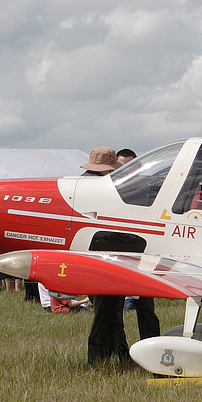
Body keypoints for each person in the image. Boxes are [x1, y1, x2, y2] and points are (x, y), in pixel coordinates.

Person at [81, 148, 130, 364]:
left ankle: (119, 353)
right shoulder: (99, 189)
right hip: (102, 257)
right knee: (105, 311)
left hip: (90, 257)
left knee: (109, 310)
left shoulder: (81, 186)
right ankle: (98, 357)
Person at [114, 148, 160, 341]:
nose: (125, 170)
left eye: (129, 166)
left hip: (142, 249)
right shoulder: (113, 189)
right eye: (121, 166)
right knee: (114, 306)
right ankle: (119, 346)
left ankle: (151, 341)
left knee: (145, 304)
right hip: (116, 249)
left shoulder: (150, 188)